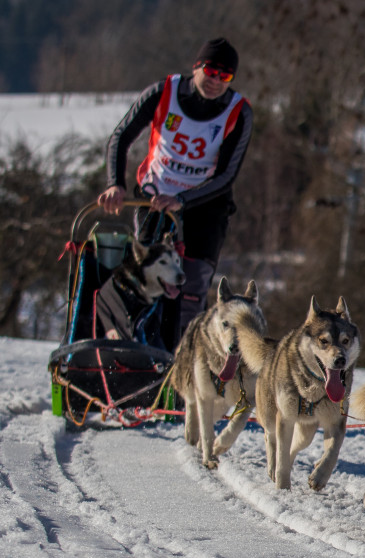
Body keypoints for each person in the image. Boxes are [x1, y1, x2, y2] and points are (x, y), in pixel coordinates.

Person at [98, 37, 253, 350]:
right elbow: (120, 137)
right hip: (154, 198)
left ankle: (181, 361)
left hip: (205, 206)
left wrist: (182, 200)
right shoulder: (163, 92)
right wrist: (116, 183)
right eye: (210, 71)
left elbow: (226, 176)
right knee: (146, 282)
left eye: (224, 76)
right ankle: (137, 354)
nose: (215, 81)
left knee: (190, 289)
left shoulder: (238, 111)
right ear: (196, 67)